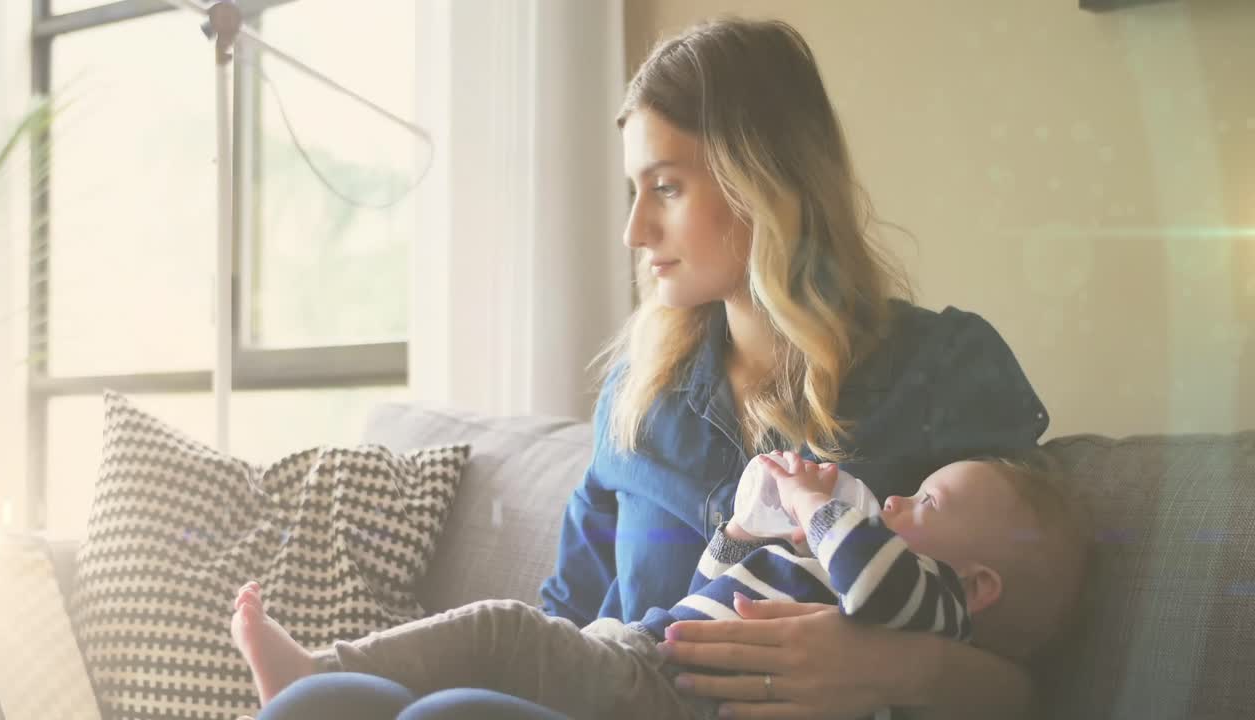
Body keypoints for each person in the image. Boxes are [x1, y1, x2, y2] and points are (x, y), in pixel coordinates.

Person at [258, 16, 1055, 720]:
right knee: (329, 701)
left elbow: (1034, 676)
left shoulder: (944, 372)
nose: (634, 231)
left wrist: (891, 666)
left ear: (765, 180)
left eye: (666, 188)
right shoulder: (640, 393)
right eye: (633, 192)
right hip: (618, 695)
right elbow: (563, 620)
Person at [234, 454, 1085, 720]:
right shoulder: (853, 555)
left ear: (979, 586)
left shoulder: (926, 601)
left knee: (468, 677)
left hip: (660, 693)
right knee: (327, 710)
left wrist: (818, 503)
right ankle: (314, 678)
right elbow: (706, 586)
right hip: (634, 654)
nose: (896, 499)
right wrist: (747, 532)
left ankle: (319, 664)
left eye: (925, 501)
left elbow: (876, 591)